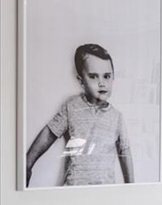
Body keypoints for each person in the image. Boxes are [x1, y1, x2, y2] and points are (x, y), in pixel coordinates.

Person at [25, 43, 133, 187]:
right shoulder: (72, 106)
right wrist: (27, 163)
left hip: (105, 191)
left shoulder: (117, 117)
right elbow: (50, 132)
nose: (102, 83)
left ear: (113, 78)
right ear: (81, 81)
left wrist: (131, 186)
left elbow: (125, 151)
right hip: (74, 188)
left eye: (107, 76)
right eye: (93, 77)